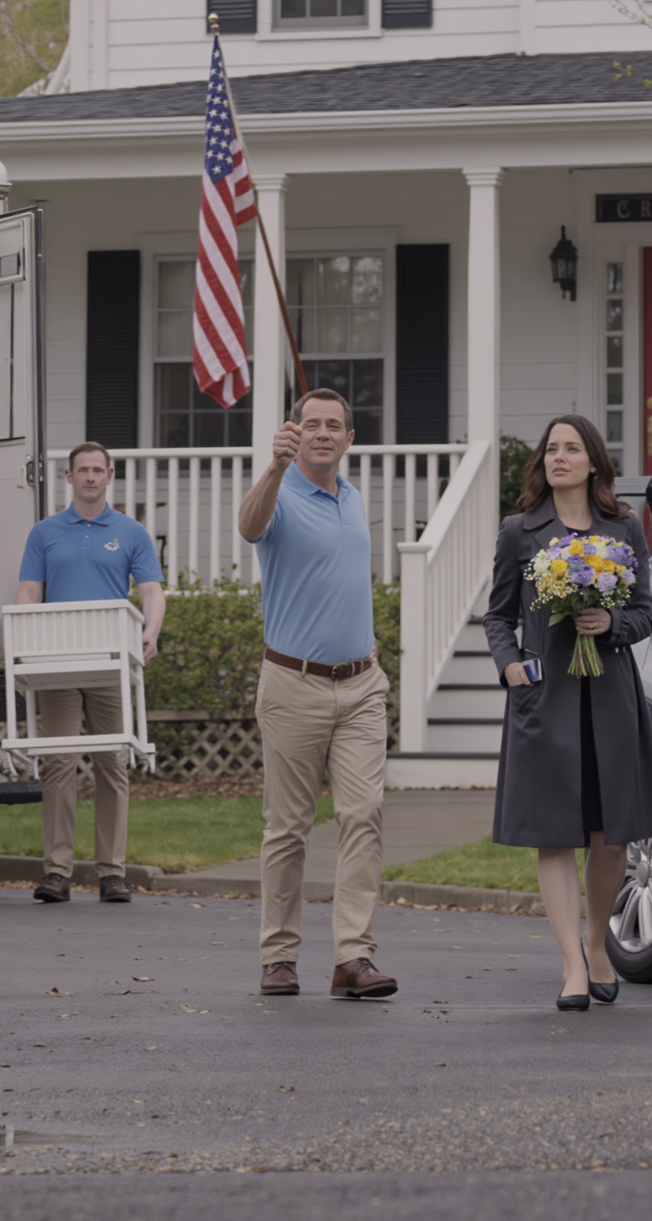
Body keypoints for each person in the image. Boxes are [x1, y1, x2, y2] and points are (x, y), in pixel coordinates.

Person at [484, 415, 652, 1010]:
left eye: (572, 448)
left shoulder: (623, 528)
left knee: (609, 837)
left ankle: (596, 939)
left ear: (593, 463)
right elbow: (497, 615)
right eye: (551, 449)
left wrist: (611, 624)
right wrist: (510, 665)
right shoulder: (519, 531)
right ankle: (571, 966)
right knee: (555, 836)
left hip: (608, 695)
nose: (559, 457)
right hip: (544, 696)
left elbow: (644, 613)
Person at [237, 389, 397, 1001]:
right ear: (295, 433)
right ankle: (278, 957)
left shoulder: (353, 498)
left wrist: (369, 646)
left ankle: (353, 958)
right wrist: (274, 467)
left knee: (363, 816)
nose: (323, 433)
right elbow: (249, 527)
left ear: (349, 438)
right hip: (293, 685)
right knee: (288, 827)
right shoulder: (279, 493)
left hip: (360, 687)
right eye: (312, 425)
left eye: (334, 425)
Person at [16, 441, 165, 904]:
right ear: (69, 478)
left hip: (110, 664)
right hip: (57, 664)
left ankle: (112, 873)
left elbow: (152, 592)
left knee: (112, 763)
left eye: (98, 470)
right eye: (82, 470)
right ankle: (57, 872)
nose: (90, 478)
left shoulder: (131, 531)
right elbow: (28, 592)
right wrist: (24, 641)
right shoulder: (45, 532)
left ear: (110, 475)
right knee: (59, 766)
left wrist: (152, 632)